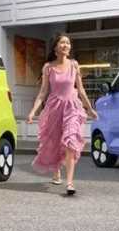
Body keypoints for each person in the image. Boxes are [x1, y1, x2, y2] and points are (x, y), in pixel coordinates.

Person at [27, 34, 97, 195]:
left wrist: (90, 109)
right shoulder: (48, 67)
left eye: (68, 43)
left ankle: (70, 183)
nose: (66, 45)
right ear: (55, 47)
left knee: (70, 141)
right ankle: (56, 169)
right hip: (54, 108)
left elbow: (80, 89)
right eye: (62, 42)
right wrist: (33, 111)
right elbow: (43, 92)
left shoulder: (74, 65)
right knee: (55, 141)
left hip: (72, 107)